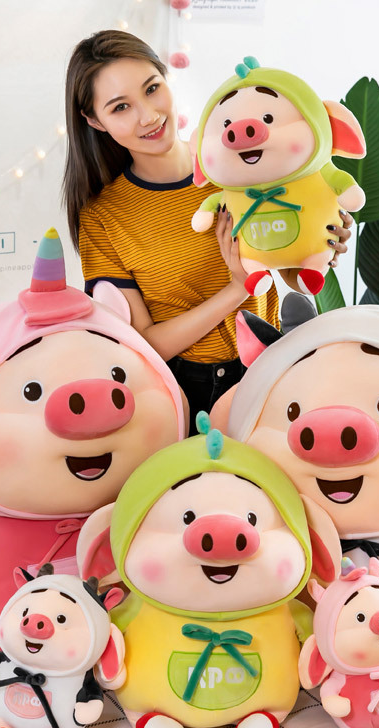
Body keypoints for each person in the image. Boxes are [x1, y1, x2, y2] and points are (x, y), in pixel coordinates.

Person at [62, 30, 351, 434]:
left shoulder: (239, 162)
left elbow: (284, 269)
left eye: (152, 88)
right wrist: (237, 288)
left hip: (272, 362)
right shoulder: (104, 217)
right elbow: (142, 341)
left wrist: (320, 245)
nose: (148, 116)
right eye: (121, 107)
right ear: (95, 120)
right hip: (188, 387)